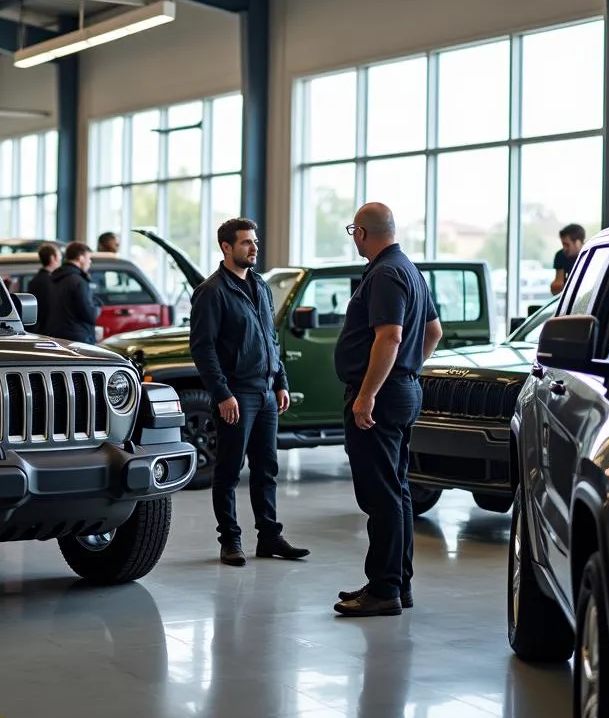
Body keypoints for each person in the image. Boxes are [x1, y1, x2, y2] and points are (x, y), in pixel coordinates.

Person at [333, 203, 443, 617]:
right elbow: (433, 331)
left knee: (380, 496)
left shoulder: (384, 273)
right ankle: (399, 583)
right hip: (402, 389)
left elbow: (390, 337)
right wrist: (408, 369)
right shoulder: (410, 270)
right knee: (396, 491)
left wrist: (368, 394)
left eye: (352, 232)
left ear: (360, 232)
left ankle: (383, 590)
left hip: (381, 396)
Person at [189, 217, 309, 566]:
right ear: (226, 247)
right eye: (245, 242)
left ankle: (269, 536)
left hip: (267, 393)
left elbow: (270, 339)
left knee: (266, 467)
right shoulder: (211, 292)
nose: (253, 247)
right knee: (228, 470)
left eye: (254, 241)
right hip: (236, 395)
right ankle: (230, 541)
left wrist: (281, 381)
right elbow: (203, 348)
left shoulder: (260, 286)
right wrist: (222, 393)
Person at [48, 242, 100, 345]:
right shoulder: (79, 281)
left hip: (56, 338)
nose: (90, 262)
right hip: (78, 340)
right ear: (80, 258)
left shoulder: (53, 279)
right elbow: (89, 314)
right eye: (88, 258)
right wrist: (98, 307)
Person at [26, 242, 61, 335]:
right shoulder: (50, 281)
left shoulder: (36, 279)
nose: (61, 258)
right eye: (59, 255)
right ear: (53, 258)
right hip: (45, 330)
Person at [550, 223, 586, 295]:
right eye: (563, 244)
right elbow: (557, 286)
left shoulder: (589, 255)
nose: (564, 248)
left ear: (578, 242)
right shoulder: (560, 255)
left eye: (567, 244)